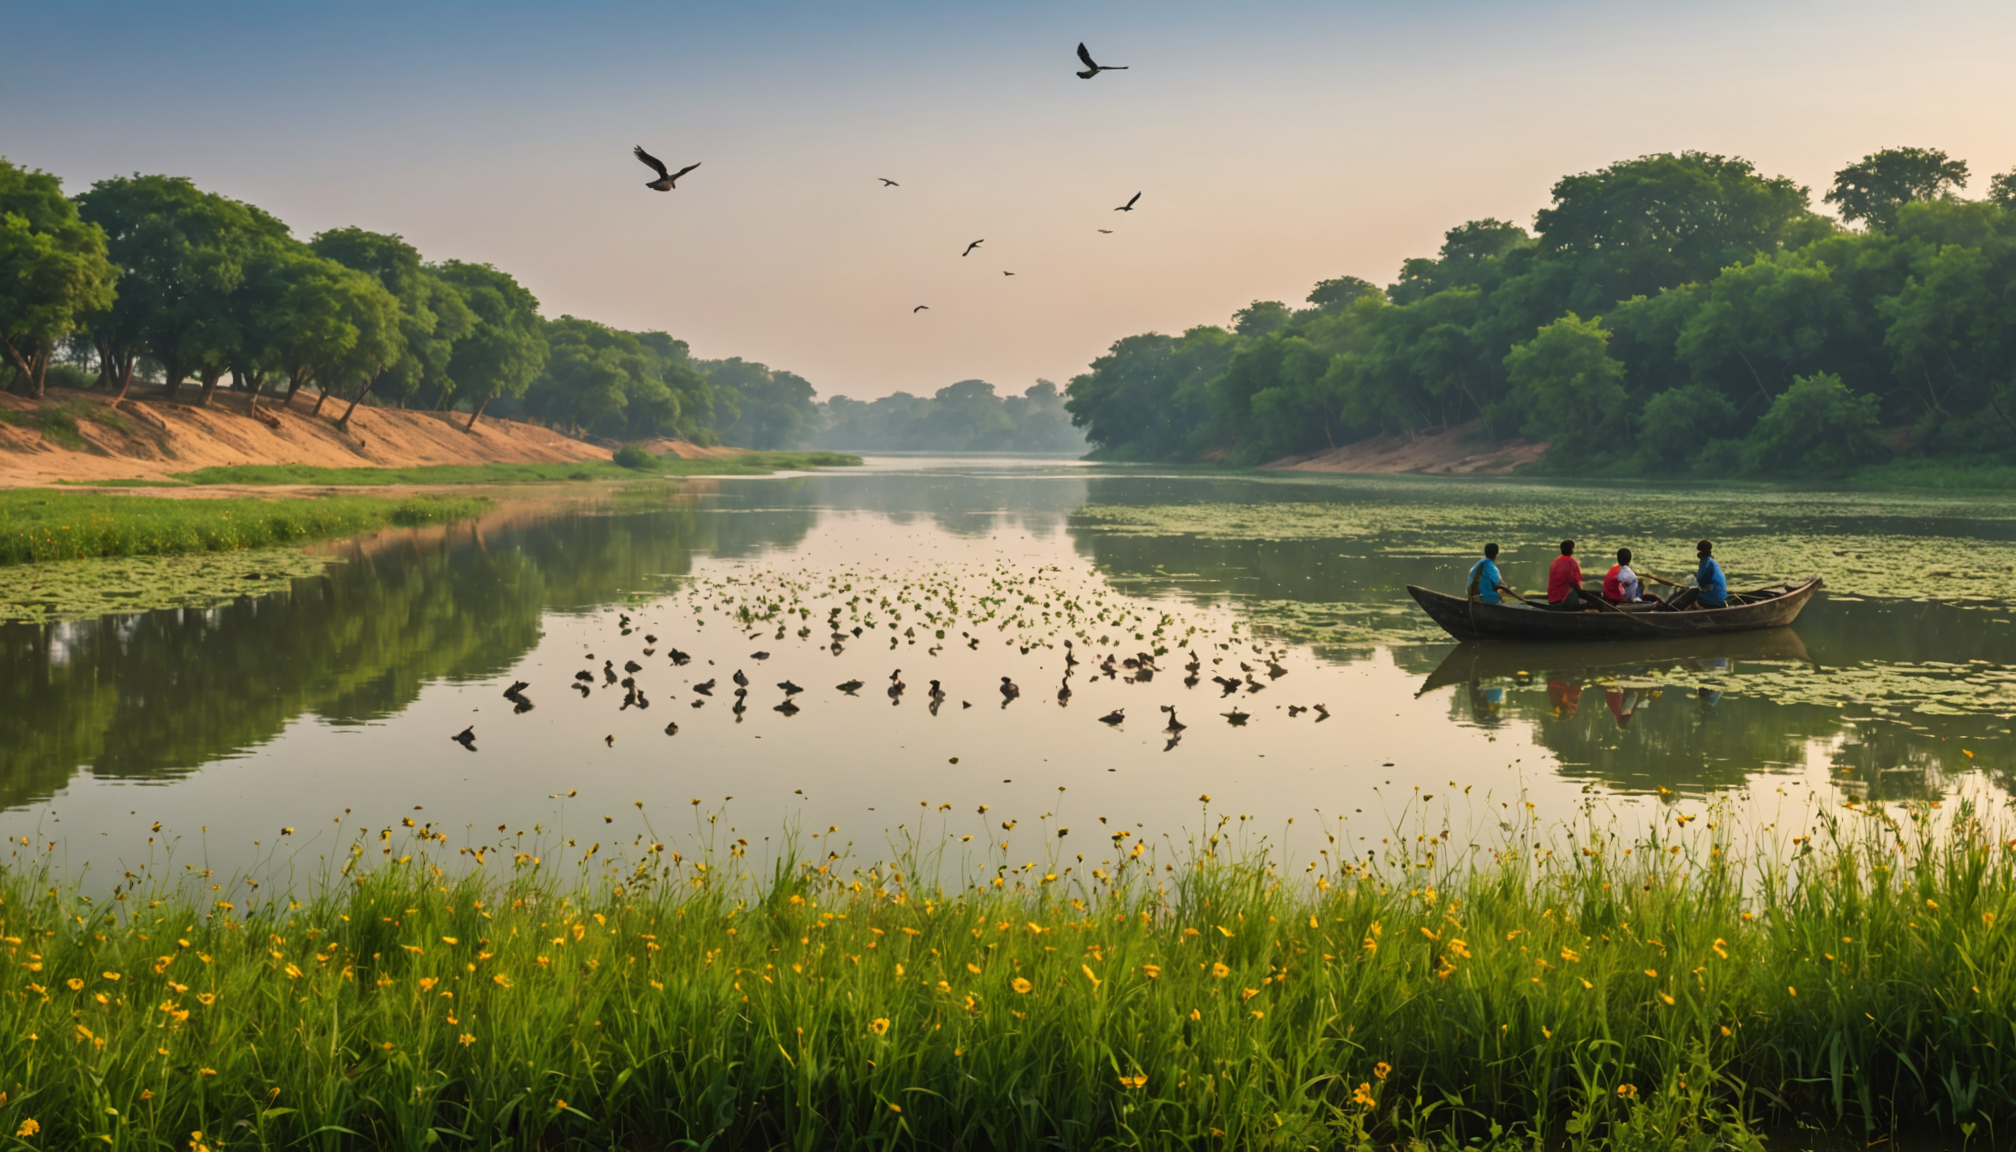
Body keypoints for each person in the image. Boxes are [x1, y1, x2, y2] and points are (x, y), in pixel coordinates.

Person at [1668, 540, 1728, 610]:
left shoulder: (1709, 565)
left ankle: (1672, 609)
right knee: (1687, 590)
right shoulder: (1707, 562)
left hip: (1714, 597)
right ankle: (1671, 606)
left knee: (1691, 592)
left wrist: (1693, 584)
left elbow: (1703, 581)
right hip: (1713, 594)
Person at [1545, 539, 1596, 611]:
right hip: (1562, 598)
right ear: (1572, 549)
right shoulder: (1571, 563)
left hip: (1552, 596)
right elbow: (1574, 582)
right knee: (1590, 603)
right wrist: (1583, 595)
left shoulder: (1556, 561)